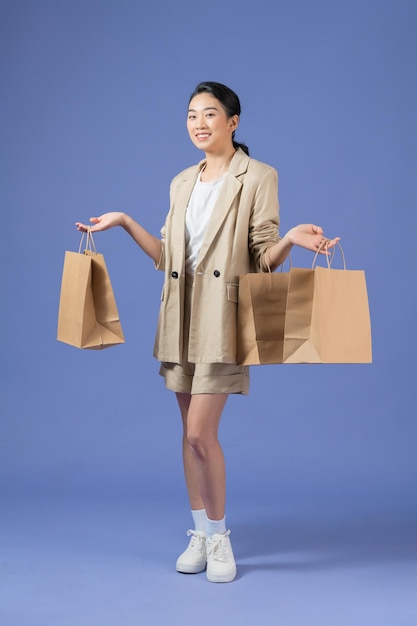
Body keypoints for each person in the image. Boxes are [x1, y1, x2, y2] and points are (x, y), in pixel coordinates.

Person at [76, 81, 339, 583]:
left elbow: (262, 257)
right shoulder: (181, 182)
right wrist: (125, 222)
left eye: (210, 114)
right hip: (179, 316)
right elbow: (167, 259)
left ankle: (219, 538)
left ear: (233, 122)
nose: (199, 123)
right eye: (192, 114)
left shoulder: (258, 176)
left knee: (201, 432)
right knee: (187, 434)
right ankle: (199, 530)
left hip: (223, 317)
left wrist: (289, 239)